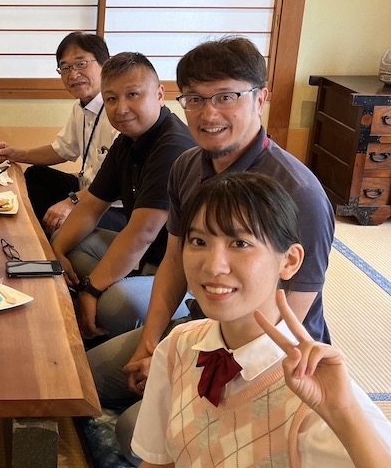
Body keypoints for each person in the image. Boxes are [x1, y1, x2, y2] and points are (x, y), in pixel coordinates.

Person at [86, 36, 335, 463]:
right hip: (198, 325)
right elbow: (173, 261)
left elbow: (288, 310)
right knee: (86, 378)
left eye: (225, 97)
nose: (209, 113)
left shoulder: (299, 192)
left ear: (261, 98)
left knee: (135, 431)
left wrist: (182, 369)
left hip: (269, 355)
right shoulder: (188, 166)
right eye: (196, 99)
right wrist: (151, 346)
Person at [132, 172, 391, 467]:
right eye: (199, 241)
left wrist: (344, 414)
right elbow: (159, 462)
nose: (214, 266)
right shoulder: (178, 345)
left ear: (289, 261)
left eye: (240, 243)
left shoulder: (322, 397)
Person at [51, 52, 196, 340]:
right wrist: (56, 254)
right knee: (65, 241)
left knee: (114, 305)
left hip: (180, 275)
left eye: (133, 95)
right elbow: (91, 205)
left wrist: (91, 290)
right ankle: (110, 294)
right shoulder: (127, 142)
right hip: (145, 260)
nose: (121, 108)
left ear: (159, 95)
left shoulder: (173, 145)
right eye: (111, 99)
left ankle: (106, 315)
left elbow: (142, 233)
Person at [0, 32, 125, 234]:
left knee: (71, 215)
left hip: (114, 206)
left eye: (81, 64)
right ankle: (42, 237)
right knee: (36, 175)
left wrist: (72, 202)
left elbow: (115, 183)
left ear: (105, 65)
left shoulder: (119, 112)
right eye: (65, 67)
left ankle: (53, 241)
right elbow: (61, 150)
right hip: (86, 189)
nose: (73, 74)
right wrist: (16, 154)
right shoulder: (80, 109)